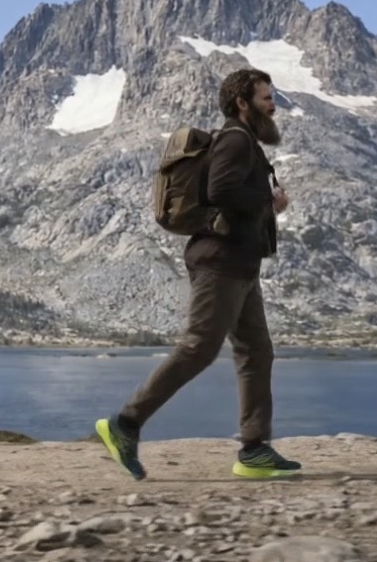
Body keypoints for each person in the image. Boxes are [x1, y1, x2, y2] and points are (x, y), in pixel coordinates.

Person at [94, 67, 301, 480]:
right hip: (221, 264)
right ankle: (125, 424)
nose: (273, 105)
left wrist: (265, 206)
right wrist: (264, 196)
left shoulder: (245, 144)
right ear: (242, 103)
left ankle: (254, 450)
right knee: (199, 347)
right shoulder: (236, 139)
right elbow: (218, 191)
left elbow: (231, 196)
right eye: (265, 98)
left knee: (257, 352)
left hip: (242, 265)